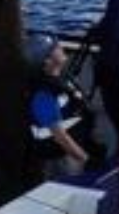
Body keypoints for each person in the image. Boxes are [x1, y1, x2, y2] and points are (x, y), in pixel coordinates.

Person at [24, 34, 93, 170]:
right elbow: (60, 137)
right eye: (54, 48)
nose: (60, 47)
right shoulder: (43, 95)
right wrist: (85, 159)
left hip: (77, 144)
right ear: (47, 61)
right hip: (64, 157)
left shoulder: (58, 78)